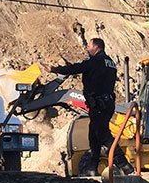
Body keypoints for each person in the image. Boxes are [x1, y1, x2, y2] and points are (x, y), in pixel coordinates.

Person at [50, 37, 119, 171]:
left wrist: (55, 69)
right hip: (108, 103)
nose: (87, 48)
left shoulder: (95, 61)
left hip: (98, 104)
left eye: (89, 46)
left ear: (96, 47)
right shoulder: (110, 62)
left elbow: (76, 68)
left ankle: (124, 164)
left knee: (103, 135)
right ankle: (93, 166)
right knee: (93, 135)